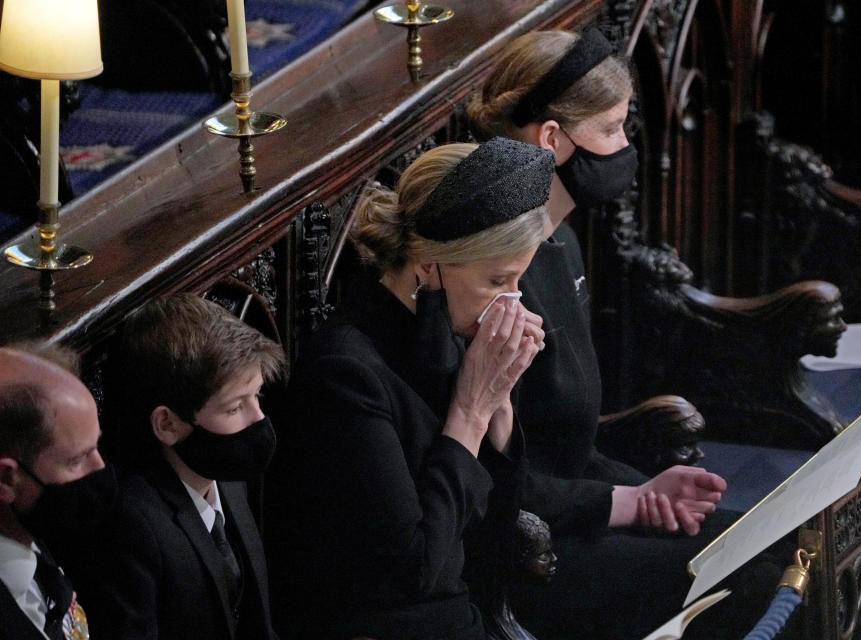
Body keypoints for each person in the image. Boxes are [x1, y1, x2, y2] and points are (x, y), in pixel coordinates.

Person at [466, 28, 775, 639]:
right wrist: (626, 502)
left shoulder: (561, 242)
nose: (625, 146)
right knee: (755, 580)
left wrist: (646, 489)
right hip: (529, 549)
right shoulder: (492, 274)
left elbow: (569, 444)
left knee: (776, 538)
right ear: (552, 139)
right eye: (611, 129)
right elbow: (494, 477)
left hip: (579, 504)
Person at [265, 137, 552, 640]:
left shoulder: (454, 331)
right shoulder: (345, 375)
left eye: (518, 283)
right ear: (426, 264)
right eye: (497, 282)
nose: (511, 306)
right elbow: (417, 570)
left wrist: (500, 408)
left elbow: (495, 533)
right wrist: (469, 414)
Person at [73, 293, 285, 640]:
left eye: (257, 397)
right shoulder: (131, 526)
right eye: (234, 408)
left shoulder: (228, 478)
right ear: (168, 425)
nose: (259, 420)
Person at [0, 345, 111, 640]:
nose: (99, 468)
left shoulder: (31, 530)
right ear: (7, 479)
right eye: (76, 460)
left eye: (96, 447)